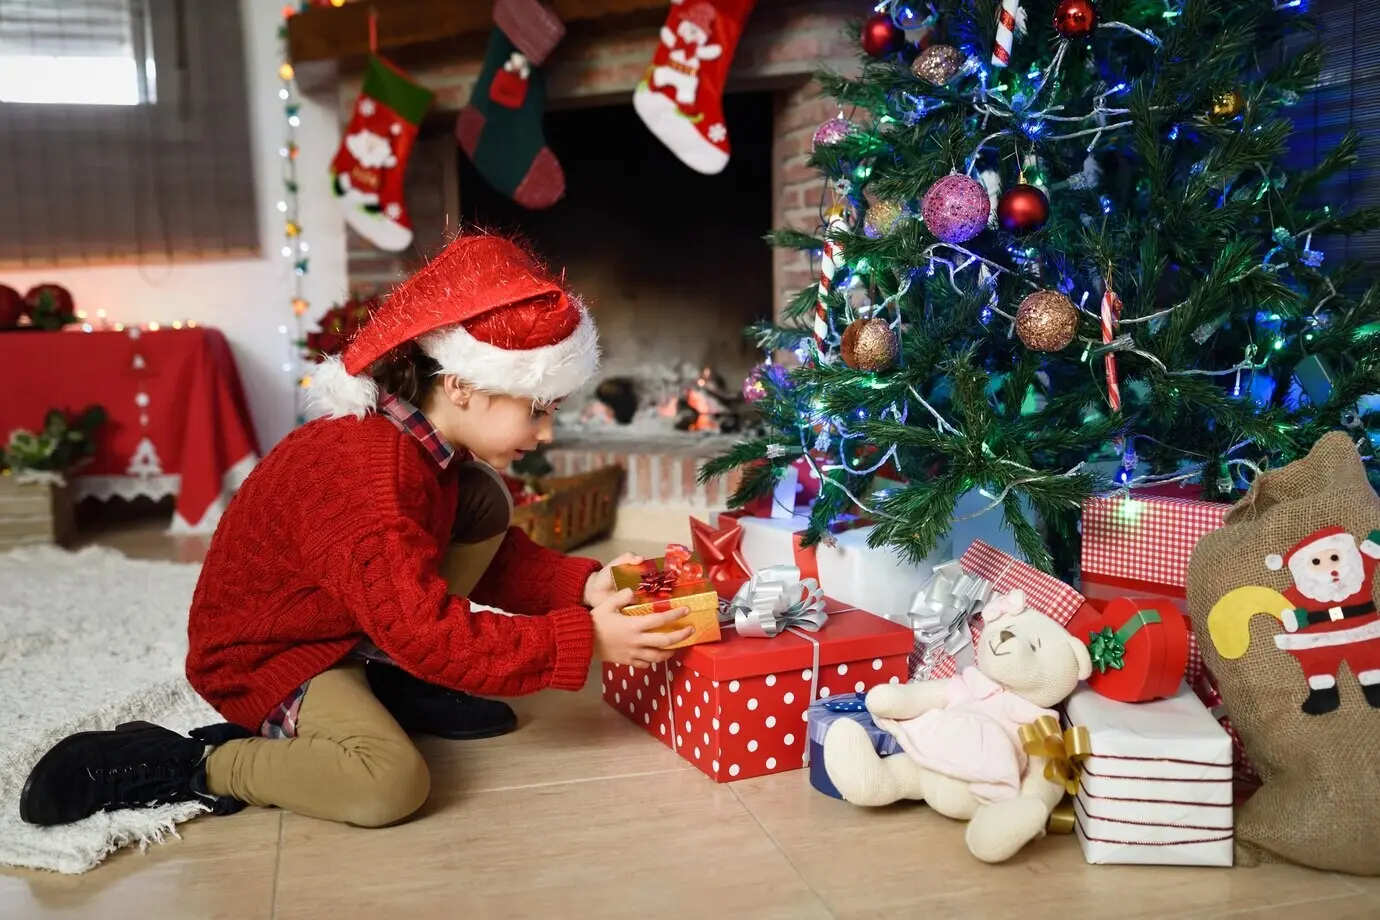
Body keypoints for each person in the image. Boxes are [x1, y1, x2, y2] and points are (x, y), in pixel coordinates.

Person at [20, 232, 694, 829]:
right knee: (387, 784)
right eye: (538, 409)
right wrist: (584, 640)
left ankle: (394, 679)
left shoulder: (429, 450)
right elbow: (424, 627)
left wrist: (587, 584)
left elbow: (490, 563)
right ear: (462, 386)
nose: (547, 431)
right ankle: (195, 762)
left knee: (481, 501)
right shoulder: (369, 476)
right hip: (276, 653)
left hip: (351, 618)